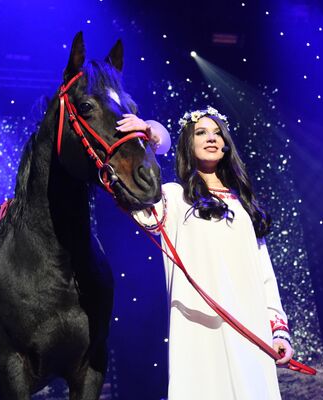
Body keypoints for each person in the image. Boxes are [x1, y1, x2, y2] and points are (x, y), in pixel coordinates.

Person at [117, 107, 293, 399]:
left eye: (217, 133)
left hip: (250, 331)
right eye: (201, 132)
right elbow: (138, 198)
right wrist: (146, 136)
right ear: (189, 143)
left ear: (226, 146)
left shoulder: (244, 205)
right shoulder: (173, 197)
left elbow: (265, 275)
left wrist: (278, 330)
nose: (211, 138)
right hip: (198, 332)